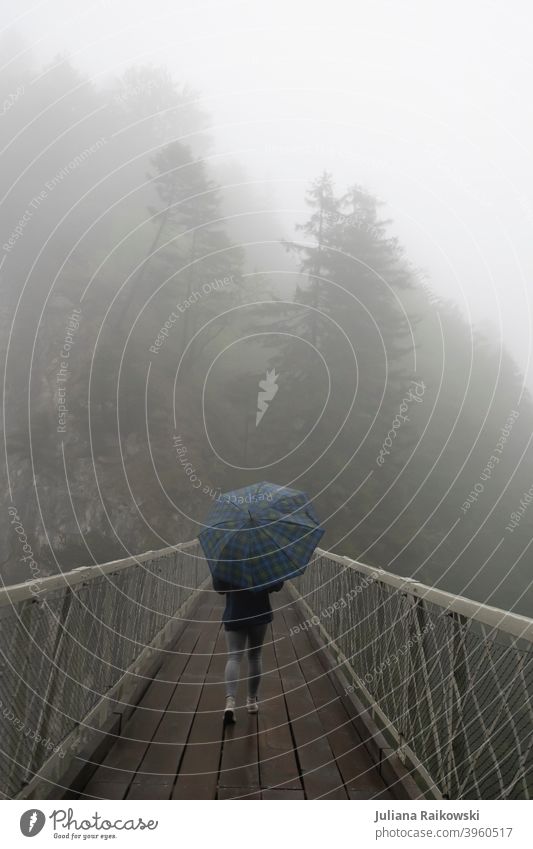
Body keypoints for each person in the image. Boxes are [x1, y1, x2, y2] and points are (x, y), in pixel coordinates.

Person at [212, 575, 284, 725]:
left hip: (235, 613)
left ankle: (230, 703)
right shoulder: (264, 555)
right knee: (255, 656)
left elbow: (219, 588)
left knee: (234, 657)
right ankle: (251, 702)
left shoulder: (228, 556)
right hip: (259, 613)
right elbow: (276, 586)